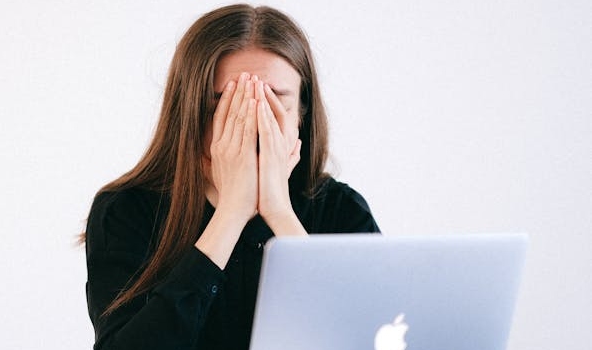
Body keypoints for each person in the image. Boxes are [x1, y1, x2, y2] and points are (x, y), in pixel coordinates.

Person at [83, 4, 380, 350]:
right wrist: (231, 214)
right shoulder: (125, 210)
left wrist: (279, 212)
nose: (251, 121)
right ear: (191, 111)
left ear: (302, 112)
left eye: (273, 102)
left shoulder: (341, 210)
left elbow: (367, 338)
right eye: (228, 103)